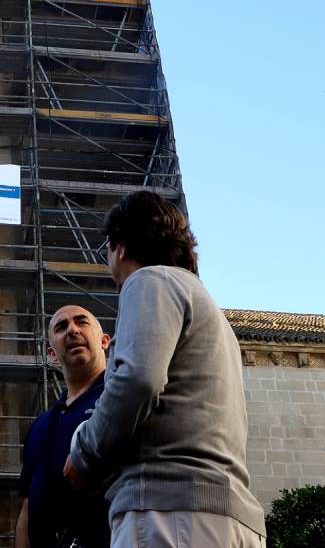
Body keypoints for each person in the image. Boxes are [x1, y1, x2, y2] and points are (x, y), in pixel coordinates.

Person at [64, 191, 266, 547]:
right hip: (227, 516)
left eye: (106, 251)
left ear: (121, 246)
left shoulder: (148, 280)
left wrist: (84, 454)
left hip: (169, 514)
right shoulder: (209, 310)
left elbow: (138, 380)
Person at [16, 305, 112, 548]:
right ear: (51, 355)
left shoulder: (119, 400)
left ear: (104, 341)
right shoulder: (41, 424)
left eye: (81, 322)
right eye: (61, 327)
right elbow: (27, 508)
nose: (72, 330)